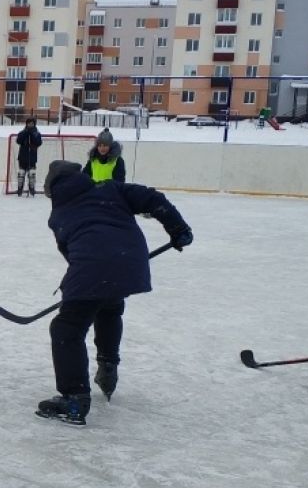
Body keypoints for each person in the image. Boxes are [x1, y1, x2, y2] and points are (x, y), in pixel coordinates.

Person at [36, 160, 193, 426]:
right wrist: (178, 229)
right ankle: (108, 366)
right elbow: (152, 198)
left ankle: (74, 398)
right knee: (108, 305)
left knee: (66, 329)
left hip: (93, 266)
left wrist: (75, 286)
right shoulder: (111, 189)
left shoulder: (59, 214)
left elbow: (71, 254)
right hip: (131, 262)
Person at [15, 117, 43, 197]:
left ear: (34, 124)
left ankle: (32, 188)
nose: (30, 125)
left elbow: (39, 143)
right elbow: (18, 141)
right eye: (29, 123)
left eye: (32, 123)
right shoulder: (22, 132)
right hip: (23, 156)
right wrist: (26, 133)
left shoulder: (37, 133)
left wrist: (32, 134)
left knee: (32, 174)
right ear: (26, 124)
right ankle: (20, 188)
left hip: (32, 156)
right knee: (21, 173)